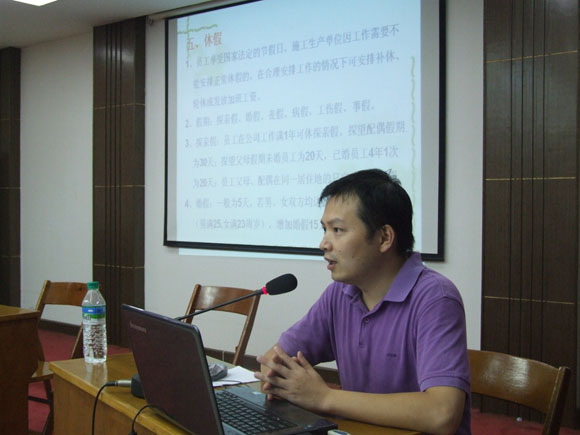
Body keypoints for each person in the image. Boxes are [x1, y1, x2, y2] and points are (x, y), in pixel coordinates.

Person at [254, 169, 471, 434]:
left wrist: (325, 397)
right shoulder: (340, 293)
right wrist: (277, 376)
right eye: (324, 230)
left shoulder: (435, 298)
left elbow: (442, 413)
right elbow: (275, 358)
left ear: (384, 238)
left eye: (337, 230)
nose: (323, 243)